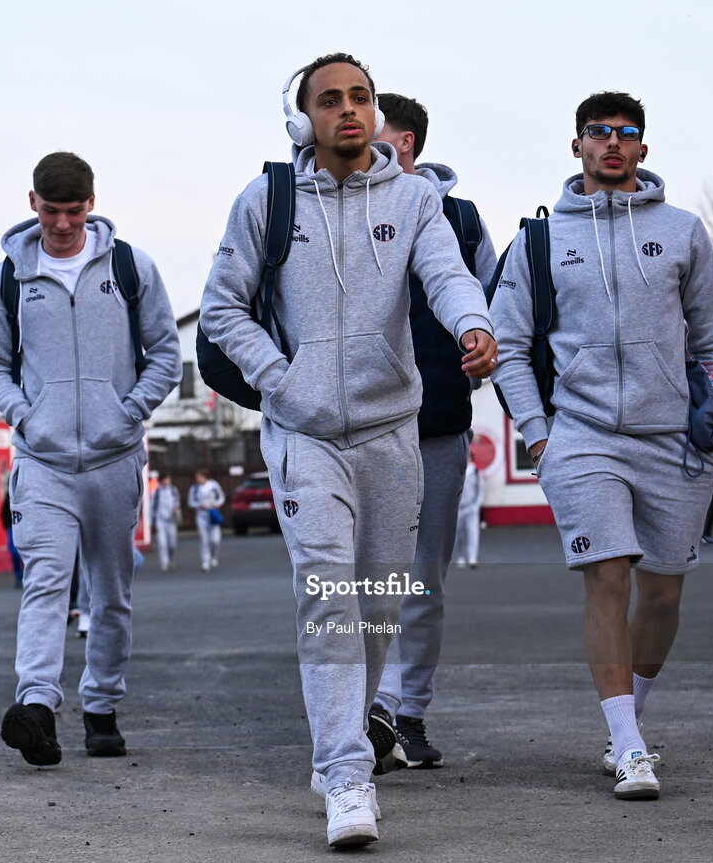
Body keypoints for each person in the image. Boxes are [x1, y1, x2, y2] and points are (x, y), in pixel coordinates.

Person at [199, 53, 496, 847]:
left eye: (359, 97)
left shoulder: (415, 197)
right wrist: (281, 381)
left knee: (377, 607)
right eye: (330, 101)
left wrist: (475, 325)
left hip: (390, 432)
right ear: (304, 119)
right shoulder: (266, 199)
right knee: (328, 600)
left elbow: (447, 274)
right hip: (303, 435)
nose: (348, 111)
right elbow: (221, 310)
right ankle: (345, 775)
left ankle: (348, 746)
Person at [492, 92, 713, 801]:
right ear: (577, 146)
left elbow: (712, 337)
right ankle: (630, 747)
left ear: (642, 149)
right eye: (598, 133)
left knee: (660, 594)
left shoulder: (683, 231)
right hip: (582, 435)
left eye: (626, 134)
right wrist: (538, 435)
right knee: (607, 575)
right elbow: (508, 346)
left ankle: (626, 722)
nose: (611, 144)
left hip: (673, 442)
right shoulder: (539, 241)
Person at [0, 151, 181, 766]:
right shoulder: (9, 278)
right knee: (44, 582)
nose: (62, 223)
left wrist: (128, 411)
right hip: (42, 461)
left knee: (110, 593)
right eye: (50, 210)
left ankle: (101, 706)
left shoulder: (129, 266)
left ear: (91, 203)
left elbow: (166, 353)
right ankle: (36, 706)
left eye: (72, 210)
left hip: (114, 458)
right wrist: (25, 415)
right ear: (31, 202)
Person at [369, 92, 497, 769]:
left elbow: (487, 301)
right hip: (358, 428)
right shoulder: (347, 205)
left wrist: (471, 362)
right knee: (362, 581)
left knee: (422, 583)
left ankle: (405, 713)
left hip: (437, 426)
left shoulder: (461, 219)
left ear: (408, 143)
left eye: (376, 135)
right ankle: (365, 711)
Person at [188, 469, 225, 572]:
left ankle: (214, 556)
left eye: (199, 476)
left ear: (204, 476)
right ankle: (205, 562)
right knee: (204, 539)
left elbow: (221, 497)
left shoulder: (213, 485)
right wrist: (198, 505)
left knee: (215, 540)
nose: (197, 479)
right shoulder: (194, 488)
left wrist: (217, 503)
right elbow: (191, 502)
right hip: (201, 515)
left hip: (213, 514)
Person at [454, 449, 484, 569]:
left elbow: (480, 490)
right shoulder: (458, 471)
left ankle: (472, 558)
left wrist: (477, 505)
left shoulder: (476, 472)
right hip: (458, 508)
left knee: (473, 533)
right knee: (458, 535)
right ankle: (460, 556)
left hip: (471, 507)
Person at [150, 474, 182, 571]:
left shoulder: (173, 490)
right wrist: (151, 521)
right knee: (162, 543)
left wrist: (176, 510)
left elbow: (177, 502)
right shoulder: (156, 491)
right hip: (161, 519)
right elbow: (152, 506)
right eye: (167, 479)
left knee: (172, 543)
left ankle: (171, 558)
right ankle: (164, 563)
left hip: (171, 519)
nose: (168, 481)